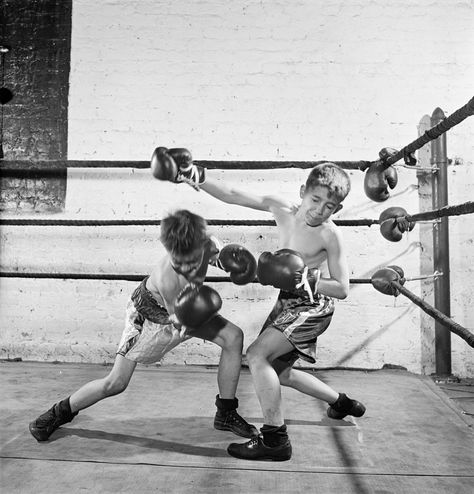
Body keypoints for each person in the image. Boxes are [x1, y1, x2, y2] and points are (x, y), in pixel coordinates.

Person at [151, 147, 366, 461]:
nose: (319, 211)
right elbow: (235, 194)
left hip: (312, 306)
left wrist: (305, 277)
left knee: (256, 355)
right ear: (303, 192)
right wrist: (195, 176)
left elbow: (343, 288)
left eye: (329, 207)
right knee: (280, 373)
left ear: (338, 208)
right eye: (315, 200)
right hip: (287, 302)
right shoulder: (283, 208)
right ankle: (342, 403)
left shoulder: (330, 236)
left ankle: (275, 439)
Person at [29, 209, 258, 442]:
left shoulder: (207, 245)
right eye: (178, 259)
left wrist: (239, 266)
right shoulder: (167, 277)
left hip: (188, 308)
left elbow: (219, 258)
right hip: (150, 316)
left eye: (189, 258)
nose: (184, 265)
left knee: (233, 337)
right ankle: (58, 413)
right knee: (116, 383)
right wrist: (202, 308)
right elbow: (180, 322)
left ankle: (226, 413)